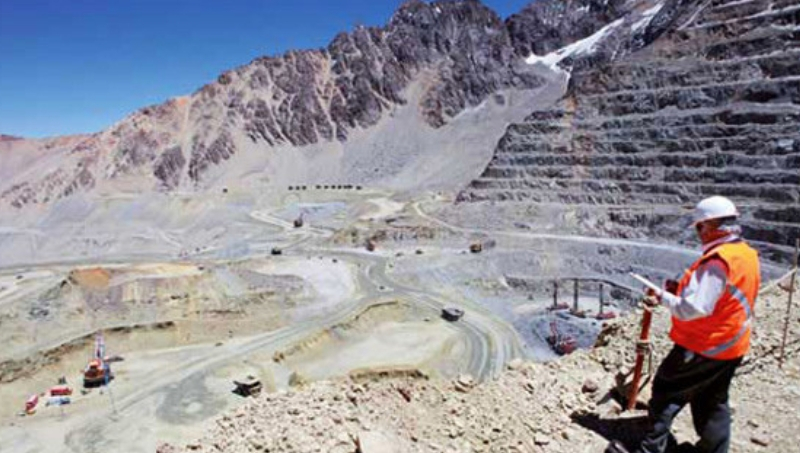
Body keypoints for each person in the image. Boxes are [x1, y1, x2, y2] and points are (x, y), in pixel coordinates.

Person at [610, 196, 761, 453]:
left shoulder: (717, 262)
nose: (698, 233)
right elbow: (723, 296)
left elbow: (694, 308)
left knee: (666, 393)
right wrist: (679, 289)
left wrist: (662, 297)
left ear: (712, 225)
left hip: (702, 347)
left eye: (699, 227)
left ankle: (650, 450)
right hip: (730, 346)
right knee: (713, 401)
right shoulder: (744, 254)